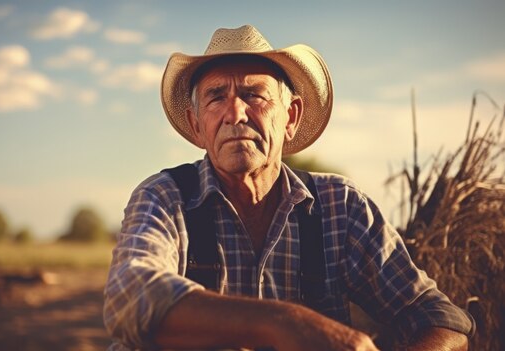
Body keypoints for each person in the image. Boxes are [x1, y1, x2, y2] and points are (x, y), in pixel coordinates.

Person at [103, 25, 474, 351]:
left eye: (254, 95)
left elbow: (440, 318)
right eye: (216, 97)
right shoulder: (165, 197)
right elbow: (130, 297)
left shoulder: (340, 207)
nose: (235, 113)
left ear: (291, 118)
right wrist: (285, 323)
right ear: (196, 126)